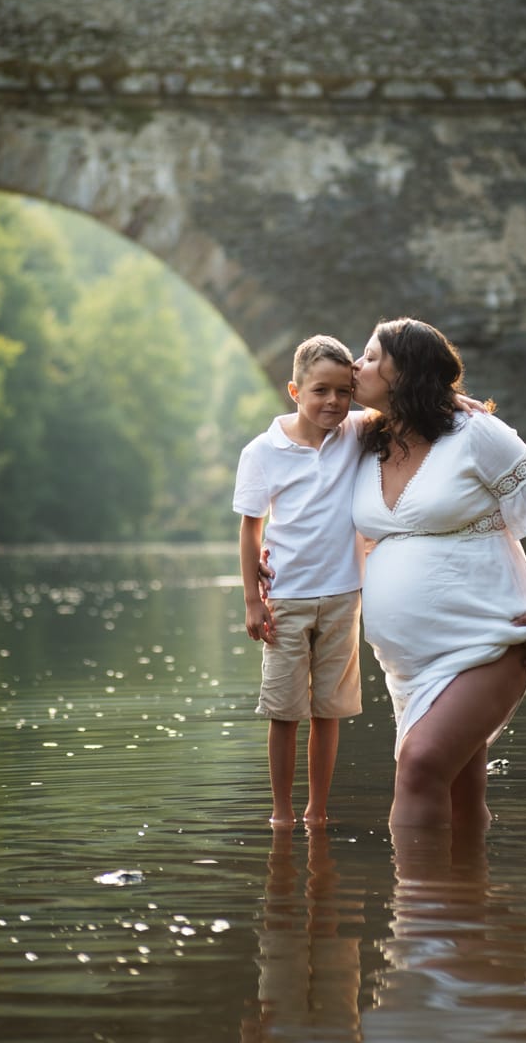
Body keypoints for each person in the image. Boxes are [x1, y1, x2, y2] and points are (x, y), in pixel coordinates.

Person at [351, 317, 526, 831]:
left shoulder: (477, 434)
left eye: (371, 357)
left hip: (489, 637)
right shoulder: (360, 439)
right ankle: (466, 883)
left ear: (404, 373)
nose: (357, 366)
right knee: (460, 789)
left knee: (421, 763)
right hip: (408, 664)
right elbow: (299, 430)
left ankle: (412, 886)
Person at [233, 335, 364, 827]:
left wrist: (464, 403)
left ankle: (317, 812)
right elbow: (251, 528)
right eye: (320, 390)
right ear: (294, 391)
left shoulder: (357, 433)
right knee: (284, 712)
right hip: (286, 598)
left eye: (344, 391)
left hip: (343, 596)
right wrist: (253, 601)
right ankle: (282, 813)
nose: (333, 401)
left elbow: (406, 398)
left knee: (329, 711)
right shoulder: (262, 451)